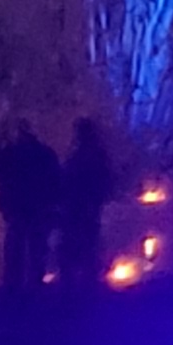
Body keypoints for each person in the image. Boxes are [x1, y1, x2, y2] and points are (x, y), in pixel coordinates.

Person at [0, 121, 62, 293]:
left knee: (15, 246)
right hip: (38, 208)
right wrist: (54, 206)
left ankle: (13, 285)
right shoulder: (44, 153)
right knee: (37, 247)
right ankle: (35, 284)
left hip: (17, 208)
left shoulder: (11, 154)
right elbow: (56, 181)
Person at [58, 118, 117, 290]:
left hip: (78, 206)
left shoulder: (81, 156)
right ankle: (88, 281)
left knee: (74, 244)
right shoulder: (99, 155)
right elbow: (107, 181)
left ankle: (73, 284)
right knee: (88, 243)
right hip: (89, 206)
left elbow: (69, 179)